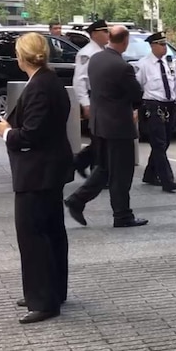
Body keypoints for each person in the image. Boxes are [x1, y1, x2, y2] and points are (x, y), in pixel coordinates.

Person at [0, 32, 73, 324]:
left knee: (33, 235)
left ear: (21, 57)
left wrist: (7, 133)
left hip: (38, 172)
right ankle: (51, 291)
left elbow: (32, 134)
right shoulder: (48, 81)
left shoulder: (41, 86)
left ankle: (44, 300)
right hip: (47, 170)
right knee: (51, 231)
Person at [63, 25, 147, 228]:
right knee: (121, 173)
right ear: (125, 42)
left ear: (110, 37)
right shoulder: (122, 66)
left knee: (104, 169)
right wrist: (133, 107)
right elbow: (136, 94)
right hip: (118, 128)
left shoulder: (96, 59)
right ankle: (122, 215)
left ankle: (77, 200)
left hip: (99, 125)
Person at [135, 32, 176, 192]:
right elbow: (137, 86)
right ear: (152, 46)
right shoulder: (143, 64)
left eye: (165, 44)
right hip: (153, 106)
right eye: (161, 44)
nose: (164, 47)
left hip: (170, 106)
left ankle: (150, 174)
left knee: (164, 143)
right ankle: (167, 180)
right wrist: (136, 108)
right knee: (158, 143)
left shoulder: (170, 63)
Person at [71, 20, 110, 177]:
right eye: (104, 31)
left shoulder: (105, 51)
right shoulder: (86, 53)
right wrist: (86, 104)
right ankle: (97, 173)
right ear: (94, 34)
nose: (108, 34)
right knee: (100, 137)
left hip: (106, 98)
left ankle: (80, 161)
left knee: (103, 138)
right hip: (94, 98)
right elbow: (79, 80)